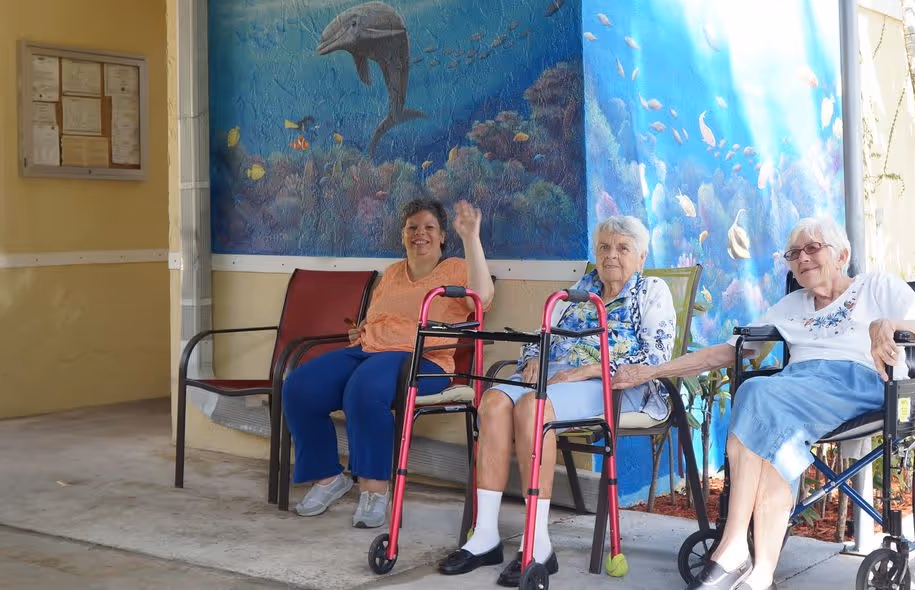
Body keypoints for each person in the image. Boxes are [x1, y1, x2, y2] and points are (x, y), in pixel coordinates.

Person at [611, 215, 915, 590]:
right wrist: (652, 371)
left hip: (858, 382)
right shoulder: (792, 304)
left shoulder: (876, 286)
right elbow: (723, 353)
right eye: (793, 253)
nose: (802, 258)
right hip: (796, 391)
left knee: (757, 392)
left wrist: (883, 323)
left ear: (843, 255)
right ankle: (760, 575)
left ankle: (733, 544)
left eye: (812, 248)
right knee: (773, 442)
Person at [437, 215, 676, 586]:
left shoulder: (651, 291)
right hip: (555, 375)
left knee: (534, 409)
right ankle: (484, 537)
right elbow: (541, 332)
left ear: (641, 257)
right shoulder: (584, 286)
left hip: (613, 384)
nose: (611, 255)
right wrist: (533, 358)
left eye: (623, 248)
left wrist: (588, 369)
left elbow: (656, 358)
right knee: (493, 403)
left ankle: (537, 545)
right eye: (604, 247)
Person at [282, 198, 494, 529]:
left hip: (425, 362)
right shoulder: (393, 273)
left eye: (429, 228)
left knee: (364, 389)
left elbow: (482, 299)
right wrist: (362, 329)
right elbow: (377, 320)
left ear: (441, 237)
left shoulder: (456, 268)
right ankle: (327, 478)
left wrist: (471, 238)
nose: (419, 234)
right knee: (299, 386)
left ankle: (375, 490)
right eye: (412, 227)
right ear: (402, 235)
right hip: (369, 352)